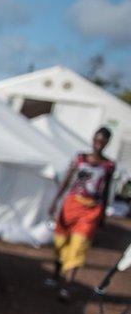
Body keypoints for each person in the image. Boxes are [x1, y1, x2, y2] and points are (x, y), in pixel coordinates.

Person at [47, 127, 115, 301]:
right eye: (97, 140)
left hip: (92, 210)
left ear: (107, 143)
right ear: (93, 139)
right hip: (71, 205)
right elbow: (67, 180)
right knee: (61, 243)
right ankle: (56, 275)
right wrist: (55, 201)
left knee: (78, 246)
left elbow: (106, 190)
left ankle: (66, 287)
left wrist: (103, 215)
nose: (99, 144)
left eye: (103, 141)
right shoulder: (80, 158)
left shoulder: (109, 165)